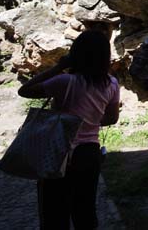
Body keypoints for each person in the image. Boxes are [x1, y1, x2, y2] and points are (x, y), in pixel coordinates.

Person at [18, 30, 121, 229]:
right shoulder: (112, 84)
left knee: (54, 213)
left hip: (58, 152)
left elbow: (25, 90)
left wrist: (59, 66)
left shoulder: (64, 81)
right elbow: (111, 118)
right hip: (89, 154)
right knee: (85, 211)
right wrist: (88, 120)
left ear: (77, 54)